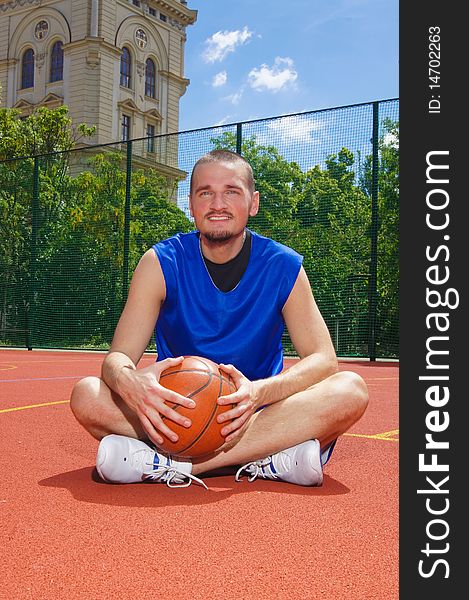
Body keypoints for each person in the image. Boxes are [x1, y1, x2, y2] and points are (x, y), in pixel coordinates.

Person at [70, 149, 368, 489]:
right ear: (191, 204)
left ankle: (179, 465)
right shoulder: (159, 262)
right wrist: (132, 384)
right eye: (205, 193)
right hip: (177, 414)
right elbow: (117, 359)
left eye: (231, 191)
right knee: (87, 395)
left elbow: (324, 359)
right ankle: (267, 456)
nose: (217, 203)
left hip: (257, 410)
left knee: (351, 390)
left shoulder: (283, 265)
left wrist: (258, 393)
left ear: (253, 202)